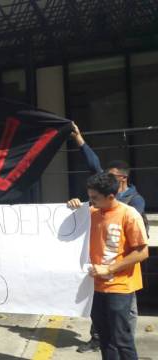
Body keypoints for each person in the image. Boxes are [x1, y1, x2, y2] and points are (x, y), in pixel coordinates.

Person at [70, 123, 147, 353]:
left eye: (94, 197)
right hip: (96, 286)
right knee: (105, 339)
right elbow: (94, 167)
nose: (90, 201)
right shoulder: (93, 210)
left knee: (122, 338)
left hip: (120, 286)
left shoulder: (131, 210)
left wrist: (111, 268)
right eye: (89, 197)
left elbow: (142, 251)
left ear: (113, 192)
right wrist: (73, 207)